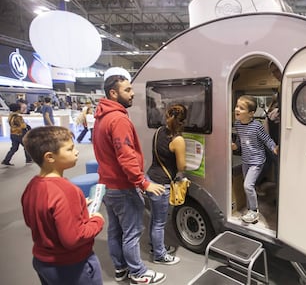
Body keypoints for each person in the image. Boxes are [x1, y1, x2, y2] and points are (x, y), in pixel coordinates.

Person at [92, 67, 166, 285]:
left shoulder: (101, 117)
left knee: (115, 230)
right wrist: (142, 182)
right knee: (132, 232)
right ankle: (138, 273)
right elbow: (126, 156)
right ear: (113, 93)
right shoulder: (118, 120)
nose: (133, 93)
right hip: (123, 187)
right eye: (128, 90)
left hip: (107, 185)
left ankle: (120, 269)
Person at [21, 126, 105, 285]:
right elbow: (73, 239)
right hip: (71, 266)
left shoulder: (32, 186)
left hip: (43, 262)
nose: (76, 152)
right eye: (70, 149)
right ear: (50, 157)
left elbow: (34, 218)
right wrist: (97, 220)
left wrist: (77, 207)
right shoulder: (66, 190)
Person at [146, 104, 187, 265]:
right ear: (182, 121)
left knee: (154, 218)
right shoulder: (178, 140)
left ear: (167, 116)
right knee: (159, 222)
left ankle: (155, 246)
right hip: (162, 184)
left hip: (150, 178)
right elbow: (181, 166)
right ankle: (159, 255)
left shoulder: (158, 132)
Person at [231, 95, 278, 223]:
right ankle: (249, 209)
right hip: (246, 160)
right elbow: (240, 140)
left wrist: (274, 147)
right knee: (248, 186)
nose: (237, 110)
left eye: (241, 108)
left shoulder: (257, 126)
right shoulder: (238, 124)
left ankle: (254, 211)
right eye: (237, 107)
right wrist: (235, 146)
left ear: (251, 113)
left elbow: (267, 139)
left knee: (248, 185)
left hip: (257, 160)